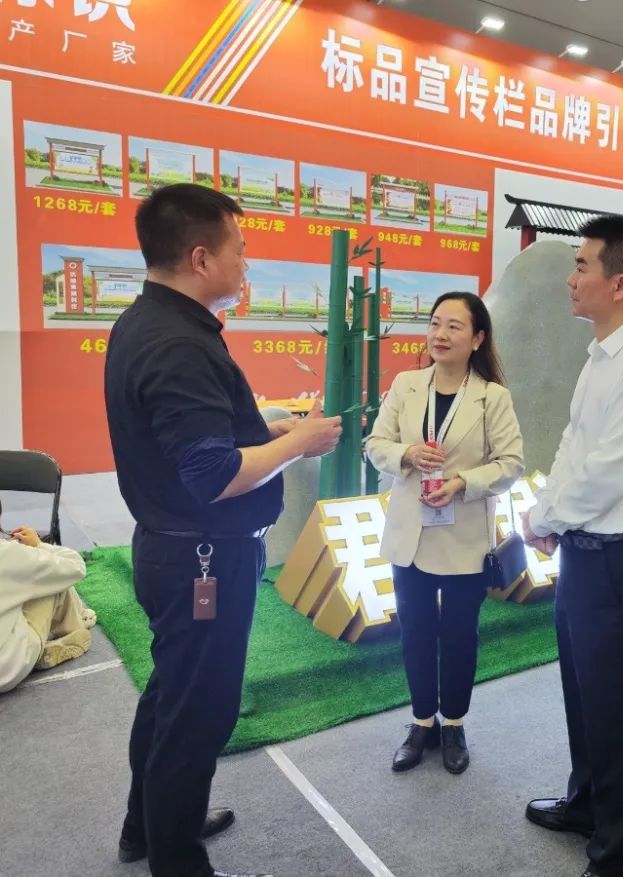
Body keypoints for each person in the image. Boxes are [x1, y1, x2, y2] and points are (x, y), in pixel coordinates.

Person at [105, 183, 342, 877]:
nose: (247, 262)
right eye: (240, 249)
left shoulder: (148, 322)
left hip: (174, 550)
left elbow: (191, 443)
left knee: (172, 696)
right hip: (200, 560)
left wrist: (263, 429)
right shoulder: (179, 344)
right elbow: (213, 475)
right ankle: (176, 857)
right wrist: (297, 442)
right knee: (198, 714)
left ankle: (150, 825)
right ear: (201, 257)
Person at [521, 216, 623, 877]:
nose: (571, 278)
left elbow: (607, 473)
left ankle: (615, 852)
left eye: (582, 265)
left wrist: (545, 517)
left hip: (620, 559)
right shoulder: (602, 354)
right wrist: (547, 516)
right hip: (584, 554)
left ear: (619, 283)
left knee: (615, 709)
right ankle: (585, 802)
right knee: (583, 692)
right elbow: (573, 448)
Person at [366, 291, 524, 775]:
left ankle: (453, 723)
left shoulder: (492, 397)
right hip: (410, 537)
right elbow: (376, 443)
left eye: (454, 326)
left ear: (477, 339)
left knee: (458, 637)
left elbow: (511, 463)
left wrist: (461, 483)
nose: (440, 334)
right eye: (435, 323)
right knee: (415, 633)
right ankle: (421, 723)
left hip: (464, 539)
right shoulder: (407, 384)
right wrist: (406, 454)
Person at [0, 506, 93, 693]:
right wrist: (39, 546)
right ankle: (75, 626)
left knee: (19, 588)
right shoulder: (9, 553)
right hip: (7, 669)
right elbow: (76, 566)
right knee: (52, 580)